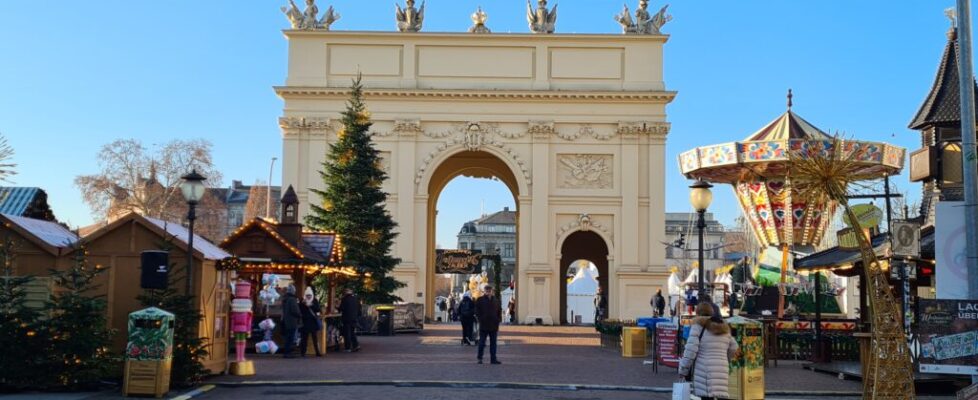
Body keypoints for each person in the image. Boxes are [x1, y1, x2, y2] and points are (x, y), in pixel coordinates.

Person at [678, 302, 739, 400]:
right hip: (722, 367)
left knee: (707, 397)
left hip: (704, 369)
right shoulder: (723, 327)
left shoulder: (698, 326)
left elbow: (690, 351)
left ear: (697, 312)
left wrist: (683, 370)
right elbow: (734, 347)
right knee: (721, 394)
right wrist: (726, 358)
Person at [475, 284, 502, 364]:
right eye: (487, 291)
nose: (488, 292)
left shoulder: (496, 300)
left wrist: (498, 319)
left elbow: (499, 311)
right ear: (484, 291)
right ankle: (480, 358)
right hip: (484, 325)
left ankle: (493, 359)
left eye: (489, 291)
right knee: (482, 343)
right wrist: (480, 319)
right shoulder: (480, 300)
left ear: (492, 291)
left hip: (494, 325)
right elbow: (477, 311)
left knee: (493, 343)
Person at [298, 287, 322, 357]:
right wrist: (303, 304)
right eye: (307, 295)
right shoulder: (302, 301)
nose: (308, 297)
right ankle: (303, 352)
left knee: (315, 338)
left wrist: (312, 306)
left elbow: (318, 309)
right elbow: (300, 310)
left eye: (310, 295)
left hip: (312, 321)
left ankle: (317, 351)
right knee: (304, 339)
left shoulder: (314, 301)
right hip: (305, 322)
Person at [281, 284, 302, 358]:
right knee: (290, 337)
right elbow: (294, 310)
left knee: (287, 337)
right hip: (292, 321)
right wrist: (299, 314)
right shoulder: (292, 299)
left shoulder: (285, 299)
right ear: (293, 291)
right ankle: (288, 353)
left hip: (286, 320)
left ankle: (286, 352)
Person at [338, 288, 361, 352]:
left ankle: (347, 348)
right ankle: (356, 345)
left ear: (345, 293)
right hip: (354, 318)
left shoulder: (344, 299)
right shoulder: (356, 299)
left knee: (347, 333)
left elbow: (341, 308)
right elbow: (359, 308)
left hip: (346, 318)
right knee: (352, 332)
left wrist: (337, 308)